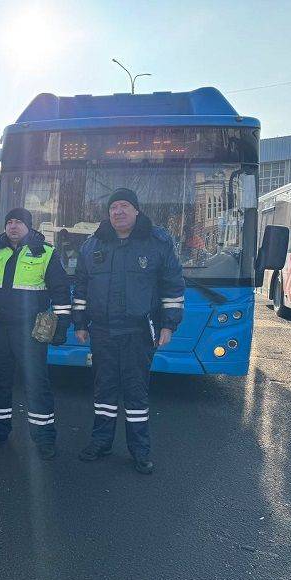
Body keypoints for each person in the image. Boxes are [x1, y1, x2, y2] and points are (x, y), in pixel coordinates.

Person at [73, 188, 185, 474]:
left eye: (124, 206)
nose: (118, 212)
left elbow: (172, 286)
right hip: (102, 331)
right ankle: (101, 442)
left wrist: (169, 325)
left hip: (138, 332)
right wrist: (80, 324)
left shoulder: (157, 243)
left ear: (136, 210)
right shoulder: (93, 245)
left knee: (136, 394)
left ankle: (140, 451)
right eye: (113, 207)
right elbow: (82, 288)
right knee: (104, 391)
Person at [0, 208, 71, 461]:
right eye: (9, 222)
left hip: (31, 329)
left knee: (37, 383)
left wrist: (62, 325)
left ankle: (44, 437)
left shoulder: (44, 253)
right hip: (0, 327)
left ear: (29, 226)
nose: (13, 226)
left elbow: (60, 292)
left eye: (19, 222)